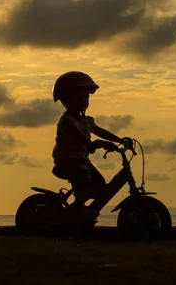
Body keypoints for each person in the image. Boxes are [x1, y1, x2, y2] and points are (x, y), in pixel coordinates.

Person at [51, 71, 130, 220]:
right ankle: (78, 208)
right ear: (66, 100)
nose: (83, 100)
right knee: (83, 176)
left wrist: (119, 140)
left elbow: (99, 131)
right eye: (78, 97)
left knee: (100, 185)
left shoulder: (86, 121)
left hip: (82, 161)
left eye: (86, 96)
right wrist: (92, 144)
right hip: (67, 161)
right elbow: (77, 135)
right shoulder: (67, 121)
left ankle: (77, 207)